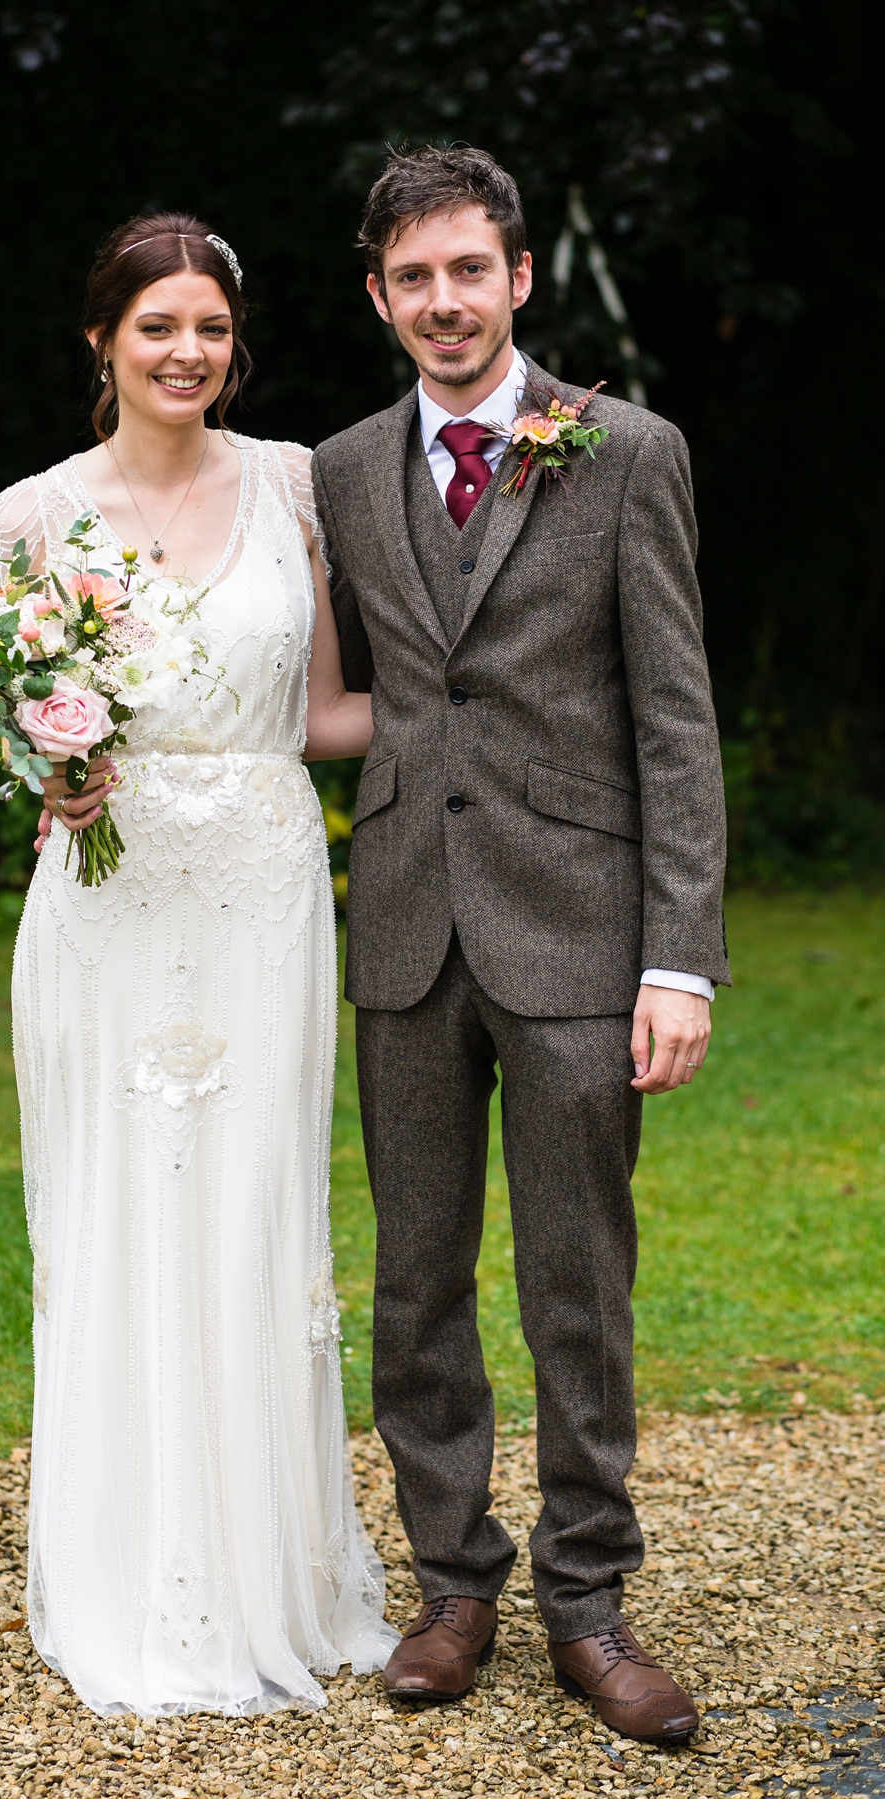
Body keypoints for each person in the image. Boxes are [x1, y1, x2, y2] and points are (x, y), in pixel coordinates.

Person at [311, 146, 729, 1742]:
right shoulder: (343, 472)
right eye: (412, 278)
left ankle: (591, 1601)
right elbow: (326, 686)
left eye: (466, 271)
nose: (441, 303)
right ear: (379, 295)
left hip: (579, 933)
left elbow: (677, 722)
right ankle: (455, 1583)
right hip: (407, 929)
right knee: (415, 1282)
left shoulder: (627, 452)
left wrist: (676, 957)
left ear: (520, 278)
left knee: (577, 1282)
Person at [0, 211, 395, 1718]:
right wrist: (56, 780)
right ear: (103, 339)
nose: (186, 352)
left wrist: (485, 712)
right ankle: (126, 1575)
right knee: (118, 1215)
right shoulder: (30, 518)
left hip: (269, 894)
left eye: (210, 328)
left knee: (255, 1220)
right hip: (110, 905)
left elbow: (326, 713)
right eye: (157, 325)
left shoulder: (295, 486)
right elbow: (21, 735)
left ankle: (268, 1570)